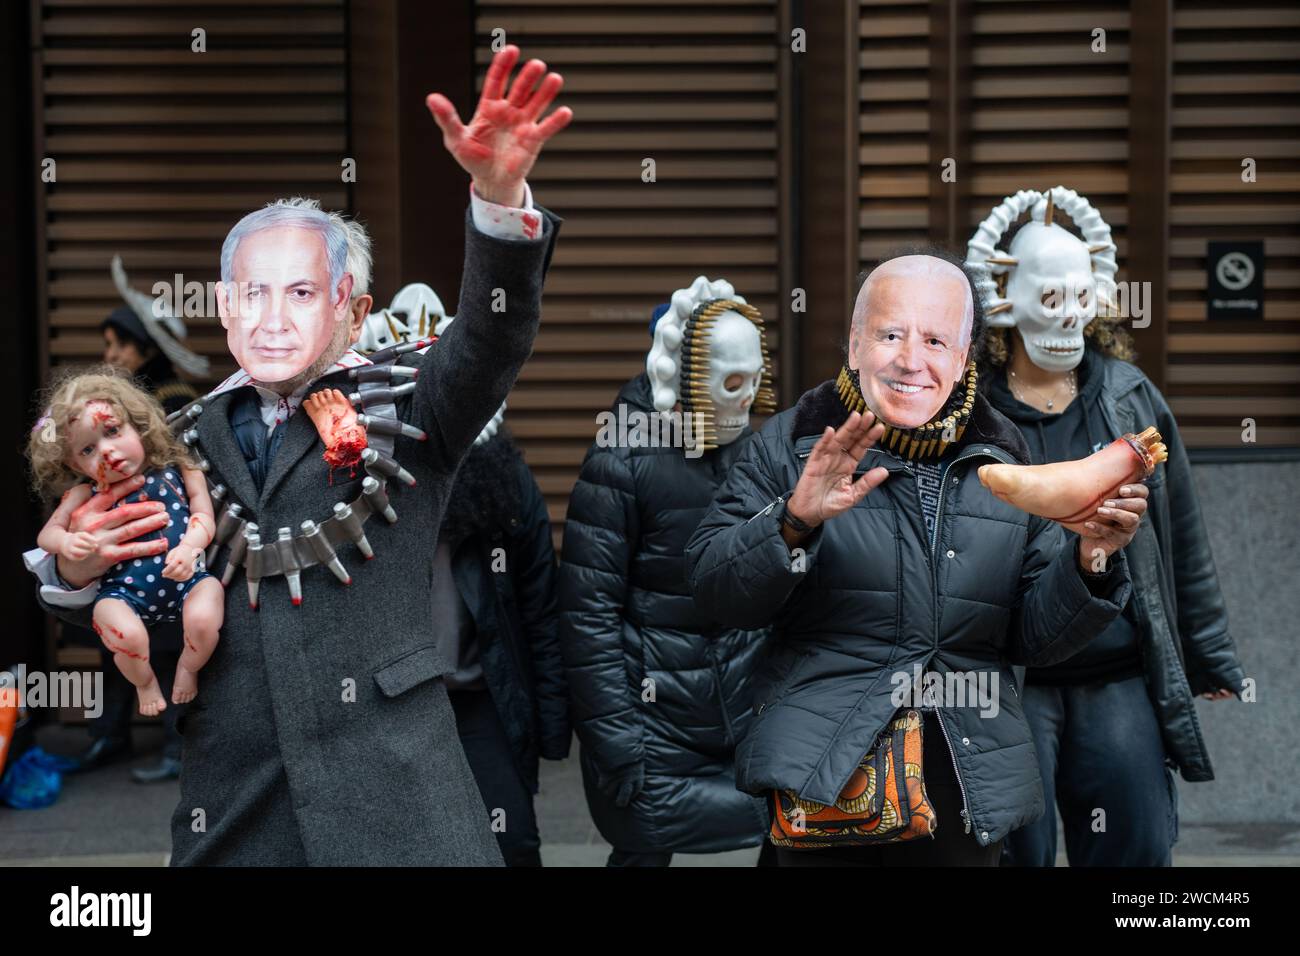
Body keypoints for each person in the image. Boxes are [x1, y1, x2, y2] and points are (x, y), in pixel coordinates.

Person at [24, 44, 571, 865]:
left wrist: (497, 203)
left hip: (400, 800)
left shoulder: (413, 407)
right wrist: (74, 570)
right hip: (238, 804)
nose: (272, 317)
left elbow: (491, 338)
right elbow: (95, 572)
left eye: (302, 291)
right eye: (253, 291)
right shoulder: (181, 437)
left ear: (349, 308)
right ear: (222, 307)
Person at [685, 250, 1149, 866]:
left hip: (964, 787)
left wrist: (1089, 560)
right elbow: (715, 593)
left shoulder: (1005, 464)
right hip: (826, 789)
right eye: (890, 334)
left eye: (935, 339)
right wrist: (793, 521)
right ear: (854, 344)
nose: (911, 360)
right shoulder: (793, 445)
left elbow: (1031, 641)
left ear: (961, 360)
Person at [966, 186, 1245, 866]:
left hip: (1116, 671)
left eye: (1078, 296)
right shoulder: (970, 411)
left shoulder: (1129, 397)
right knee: (1011, 854)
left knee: (1135, 848)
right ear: (1006, 302)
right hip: (1010, 678)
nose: (1067, 318)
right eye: (1048, 299)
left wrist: (1208, 654)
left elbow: (1180, 538)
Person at [559, 278, 777, 866]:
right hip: (652, 724)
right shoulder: (621, 460)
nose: (746, 400)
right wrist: (616, 740)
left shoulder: (753, 451)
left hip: (742, 715)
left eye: (756, 382)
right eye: (732, 384)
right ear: (684, 378)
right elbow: (587, 614)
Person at [29, 370, 224, 717]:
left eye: (113, 431)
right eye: (88, 449)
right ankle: (144, 684)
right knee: (119, 630)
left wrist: (190, 546)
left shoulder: (181, 469)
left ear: (138, 425)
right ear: (74, 463)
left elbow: (203, 516)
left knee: (207, 613)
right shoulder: (82, 493)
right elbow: (47, 536)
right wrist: (67, 541)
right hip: (123, 594)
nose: (107, 452)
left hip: (188, 580)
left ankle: (188, 668)